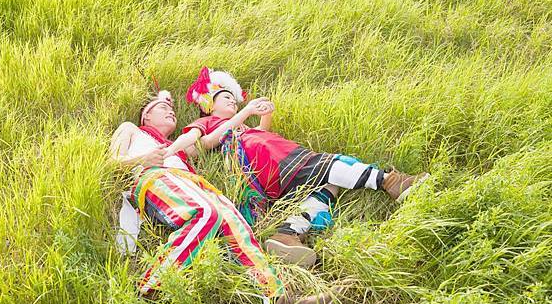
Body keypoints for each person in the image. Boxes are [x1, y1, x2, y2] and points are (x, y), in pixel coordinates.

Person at [109, 90, 338, 304]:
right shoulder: (132, 130)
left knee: (239, 227)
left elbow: (212, 139)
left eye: (172, 108)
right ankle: (150, 287)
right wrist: (142, 159)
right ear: (146, 115)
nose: (170, 110)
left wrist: (248, 112)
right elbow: (111, 163)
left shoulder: (178, 147)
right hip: (155, 177)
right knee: (207, 214)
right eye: (162, 107)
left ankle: (282, 303)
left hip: (194, 184)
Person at [164, 67, 429, 268]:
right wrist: (243, 113)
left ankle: (287, 234)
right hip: (270, 157)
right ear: (209, 105)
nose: (233, 102)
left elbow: (259, 131)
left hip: (270, 159)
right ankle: (391, 182)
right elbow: (202, 144)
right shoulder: (210, 123)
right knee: (330, 164)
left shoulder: (240, 124)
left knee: (328, 184)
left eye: (234, 100)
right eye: (225, 98)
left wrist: (265, 114)